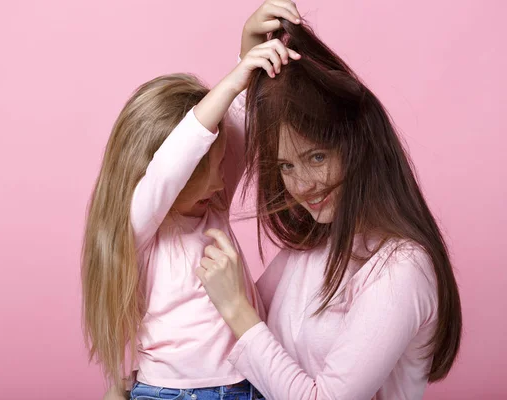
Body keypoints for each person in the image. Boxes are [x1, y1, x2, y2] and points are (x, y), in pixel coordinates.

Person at [197, 6, 463, 400]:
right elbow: (204, 181)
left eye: (316, 157)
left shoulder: (402, 269)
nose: (301, 185)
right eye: (286, 165)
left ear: (358, 148)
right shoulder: (316, 244)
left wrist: (238, 310)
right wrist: (245, 69)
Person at [82, 2, 303, 398]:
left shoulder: (211, 208)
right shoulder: (139, 224)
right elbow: (172, 163)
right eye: (212, 170)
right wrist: (232, 81)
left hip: (246, 385)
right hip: (174, 394)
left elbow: (238, 115)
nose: (224, 183)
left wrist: (251, 40)